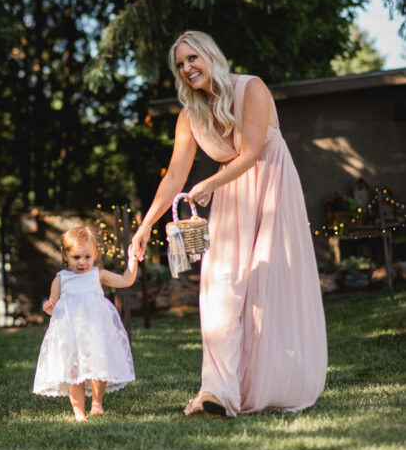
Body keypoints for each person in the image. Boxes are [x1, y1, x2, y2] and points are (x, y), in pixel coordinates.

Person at [131, 30, 327, 417]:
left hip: (270, 188)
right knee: (219, 287)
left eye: (193, 58)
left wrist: (208, 183)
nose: (187, 68)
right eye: (180, 64)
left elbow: (252, 152)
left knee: (264, 287)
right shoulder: (189, 115)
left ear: (210, 56)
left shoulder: (250, 88)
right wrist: (146, 225)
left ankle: (266, 385)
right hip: (232, 198)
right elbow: (173, 177)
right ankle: (217, 391)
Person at [33, 224, 137, 422]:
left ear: (95, 254)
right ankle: (79, 412)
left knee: (99, 365)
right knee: (74, 373)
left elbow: (126, 280)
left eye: (87, 257)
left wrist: (133, 260)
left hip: (95, 330)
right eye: (76, 257)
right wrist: (49, 306)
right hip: (71, 333)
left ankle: (97, 402)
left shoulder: (98, 274)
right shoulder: (61, 279)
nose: (82, 262)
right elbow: (53, 303)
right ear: (65, 256)